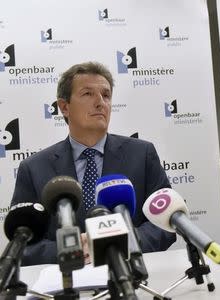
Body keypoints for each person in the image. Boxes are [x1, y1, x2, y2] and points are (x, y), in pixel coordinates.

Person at [11, 61, 176, 265]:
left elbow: (165, 222)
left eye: (106, 95)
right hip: (68, 283)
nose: (100, 102)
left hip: (132, 273)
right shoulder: (34, 168)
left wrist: (123, 243)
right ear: (64, 107)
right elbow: (22, 243)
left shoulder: (142, 154)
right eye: (88, 94)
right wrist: (71, 249)